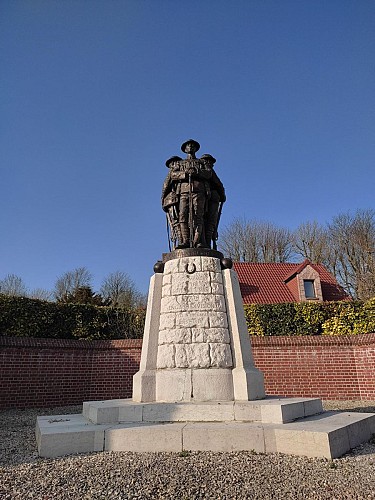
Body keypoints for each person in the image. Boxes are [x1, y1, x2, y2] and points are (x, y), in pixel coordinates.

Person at [172, 140, 211, 248]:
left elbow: (209, 174)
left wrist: (197, 172)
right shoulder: (180, 163)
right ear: (185, 149)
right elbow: (173, 175)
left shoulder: (201, 163)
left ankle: (198, 241)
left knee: (198, 216)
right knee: (182, 216)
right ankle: (185, 241)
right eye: (188, 146)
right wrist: (184, 173)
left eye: (193, 145)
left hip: (199, 192)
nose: (190, 147)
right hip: (184, 192)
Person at [200, 154, 226, 249]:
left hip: (210, 199)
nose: (209, 163)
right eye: (208, 161)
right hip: (208, 199)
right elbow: (218, 184)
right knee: (208, 222)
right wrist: (222, 195)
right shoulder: (207, 171)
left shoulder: (207, 171)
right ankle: (205, 242)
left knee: (209, 222)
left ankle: (207, 242)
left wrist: (222, 196)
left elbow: (218, 184)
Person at [161, 156, 183, 249]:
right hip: (172, 200)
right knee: (176, 221)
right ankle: (180, 239)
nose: (176, 164)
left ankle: (181, 239)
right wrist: (163, 200)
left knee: (180, 221)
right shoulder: (172, 173)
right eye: (174, 163)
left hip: (177, 199)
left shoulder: (178, 172)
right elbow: (165, 187)